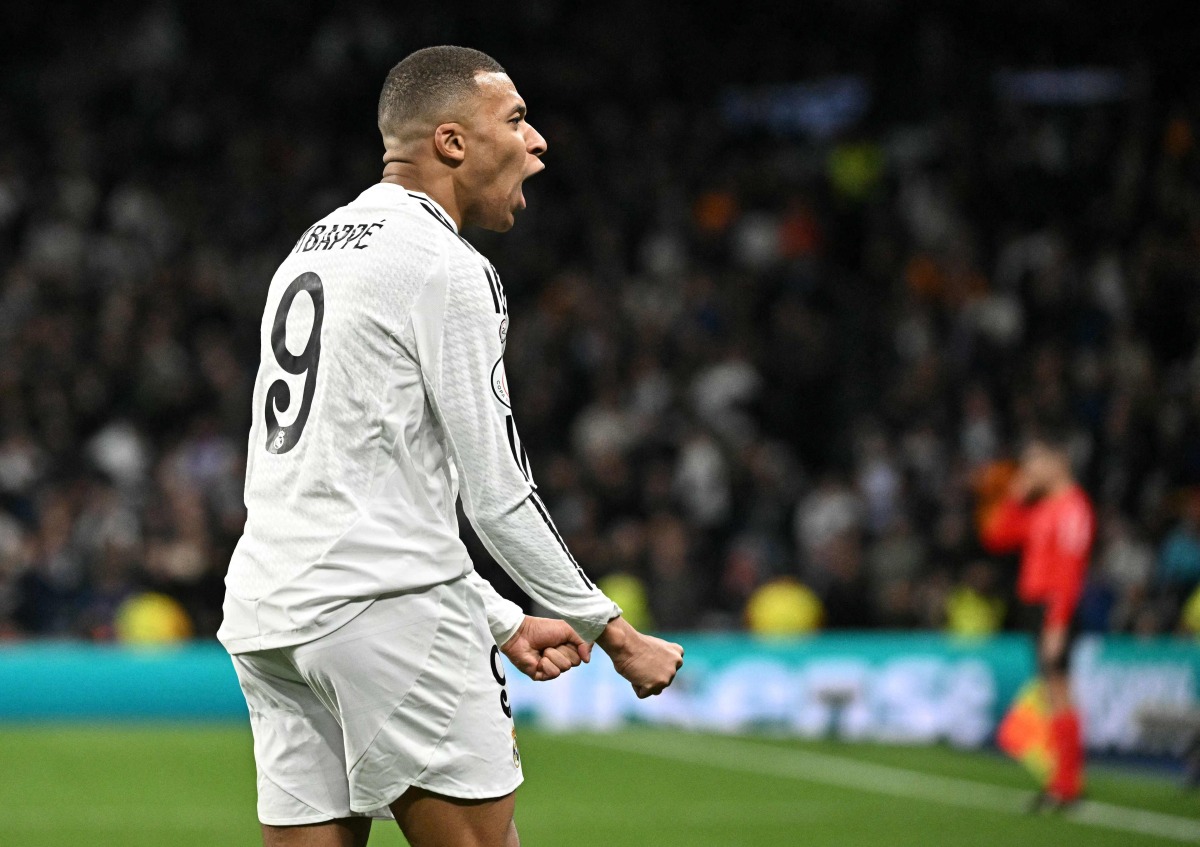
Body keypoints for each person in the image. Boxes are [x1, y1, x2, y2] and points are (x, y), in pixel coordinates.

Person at [217, 46, 684, 847]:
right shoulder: (443, 263)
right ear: (451, 143)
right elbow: (498, 493)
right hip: (385, 618)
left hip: (271, 615)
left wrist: (498, 615)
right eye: (515, 119)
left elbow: (354, 488)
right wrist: (614, 630)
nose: (537, 142)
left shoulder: (314, 247)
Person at [982, 429, 1094, 809]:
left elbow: (1070, 571)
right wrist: (1014, 497)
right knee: (1050, 692)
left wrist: (1058, 623)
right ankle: (1060, 782)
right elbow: (997, 537)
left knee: (1060, 691)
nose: (1028, 468)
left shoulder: (1073, 508)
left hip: (1053, 609)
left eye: (1034, 460)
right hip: (1035, 608)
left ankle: (1068, 784)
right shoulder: (1043, 508)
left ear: (1057, 461)